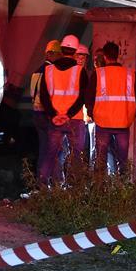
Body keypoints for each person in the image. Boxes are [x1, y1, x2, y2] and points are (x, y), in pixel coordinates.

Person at [84, 41, 136, 177]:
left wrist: (92, 113)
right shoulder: (130, 74)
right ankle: (122, 189)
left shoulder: (98, 74)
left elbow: (88, 98)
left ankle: (100, 192)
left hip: (102, 123)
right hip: (123, 124)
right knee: (122, 161)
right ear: (118, 55)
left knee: (100, 159)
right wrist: (132, 114)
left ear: (105, 56)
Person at [39, 35, 89, 184]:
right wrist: (68, 115)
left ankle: (44, 186)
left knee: (51, 154)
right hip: (74, 120)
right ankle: (76, 188)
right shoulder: (80, 71)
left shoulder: (48, 70)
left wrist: (54, 115)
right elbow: (82, 97)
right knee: (76, 155)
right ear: (75, 52)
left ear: (61, 50)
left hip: (55, 121)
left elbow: (43, 96)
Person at [29, 40, 62, 186]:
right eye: (58, 54)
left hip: (36, 113)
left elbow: (32, 93)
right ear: (51, 54)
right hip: (47, 114)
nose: (60, 57)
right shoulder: (51, 72)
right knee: (52, 149)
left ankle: (40, 180)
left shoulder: (36, 71)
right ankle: (50, 181)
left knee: (43, 147)